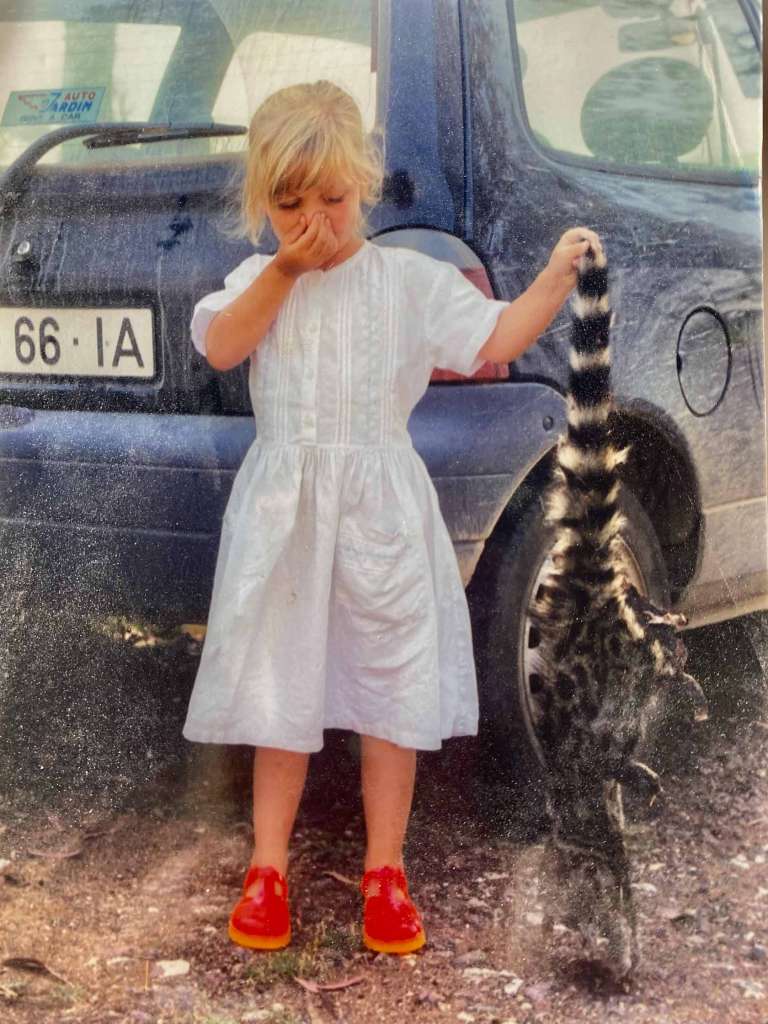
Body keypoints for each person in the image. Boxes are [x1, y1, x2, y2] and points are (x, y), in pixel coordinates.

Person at [183, 79, 600, 955]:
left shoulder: (408, 284)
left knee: (388, 688)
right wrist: (285, 270)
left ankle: (386, 870)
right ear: (265, 203)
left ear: (361, 190)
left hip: (380, 515)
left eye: (332, 200)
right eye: (291, 205)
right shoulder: (260, 281)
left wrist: (555, 278)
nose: (315, 223)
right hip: (287, 518)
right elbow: (223, 345)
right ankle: (267, 868)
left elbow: (495, 338)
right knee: (278, 688)